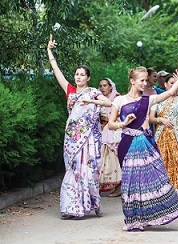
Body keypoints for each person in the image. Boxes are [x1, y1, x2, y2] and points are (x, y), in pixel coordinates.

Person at [108, 59, 178, 232]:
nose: (145, 83)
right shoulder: (120, 101)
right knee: (132, 184)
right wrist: (123, 124)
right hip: (127, 143)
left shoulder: (148, 99)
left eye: (146, 80)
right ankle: (133, 218)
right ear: (132, 81)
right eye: (142, 80)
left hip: (145, 144)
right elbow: (110, 124)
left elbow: (170, 93)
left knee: (159, 180)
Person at [47, 34, 112, 220]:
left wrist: (90, 100)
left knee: (87, 172)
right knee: (72, 171)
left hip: (89, 139)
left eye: (82, 74)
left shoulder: (93, 92)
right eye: (76, 74)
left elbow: (108, 103)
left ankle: (88, 205)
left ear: (88, 78)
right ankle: (70, 207)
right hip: (72, 140)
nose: (78, 77)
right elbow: (56, 70)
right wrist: (49, 51)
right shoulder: (70, 91)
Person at [149, 75, 178, 207]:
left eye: (176, 83)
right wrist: (160, 120)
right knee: (164, 165)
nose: (174, 85)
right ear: (166, 85)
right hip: (161, 134)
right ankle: (164, 196)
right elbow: (151, 118)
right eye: (172, 83)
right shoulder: (157, 100)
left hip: (177, 134)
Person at [98, 78, 122, 197]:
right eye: (101, 86)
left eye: (105, 85)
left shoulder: (117, 98)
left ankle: (118, 186)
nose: (102, 88)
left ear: (110, 87)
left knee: (114, 159)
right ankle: (99, 185)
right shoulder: (98, 99)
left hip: (114, 132)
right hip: (102, 131)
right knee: (103, 159)